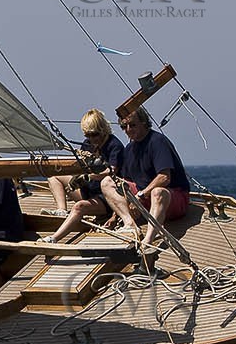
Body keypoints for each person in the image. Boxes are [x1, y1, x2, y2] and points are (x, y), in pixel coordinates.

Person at [101, 106, 191, 250]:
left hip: (172, 197)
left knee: (158, 192)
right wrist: (114, 215)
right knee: (107, 182)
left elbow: (164, 177)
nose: (128, 130)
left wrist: (140, 196)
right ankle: (129, 224)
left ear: (144, 122)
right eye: (124, 127)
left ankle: (148, 240)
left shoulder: (158, 141)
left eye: (133, 125)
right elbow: (124, 183)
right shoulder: (129, 149)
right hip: (144, 199)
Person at [45, 109, 126, 242]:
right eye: (88, 135)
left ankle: (53, 238)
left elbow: (111, 171)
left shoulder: (114, 145)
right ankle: (62, 210)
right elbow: (80, 165)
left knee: (79, 207)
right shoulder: (87, 144)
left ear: (103, 129)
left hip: (105, 199)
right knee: (54, 176)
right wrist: (76, 179)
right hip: (88, 191)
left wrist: (89, 177)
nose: (91, 139)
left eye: (94, 135)